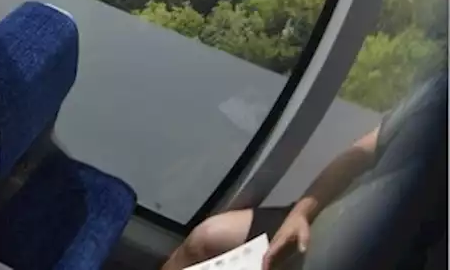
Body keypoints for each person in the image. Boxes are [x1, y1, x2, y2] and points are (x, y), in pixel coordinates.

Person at [163, 68, 448, 270]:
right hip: (329, 225)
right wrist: (300, 215)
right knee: (206, 240)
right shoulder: (438, 91)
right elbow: (357, 155)